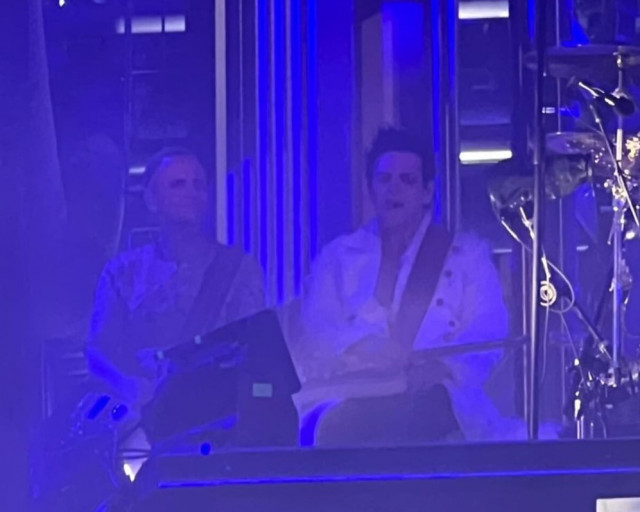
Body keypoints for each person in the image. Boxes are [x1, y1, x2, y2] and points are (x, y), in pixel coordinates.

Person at [295, 127, 510, 446]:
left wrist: (442, 368)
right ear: (371, 189)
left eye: (407, 180)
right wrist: (362, 348)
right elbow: (317, 330)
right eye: (384, 179)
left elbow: (489, 330)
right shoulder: (337, 257)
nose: (394, 189)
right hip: (347, 397)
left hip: (437, 400)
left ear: (426, 192)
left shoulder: (469, 257)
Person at [86, 147, 265, 416]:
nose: (191, 192)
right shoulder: (122, 272)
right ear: (152, 199)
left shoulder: (239, 269)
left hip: (216, 416)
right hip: (140, 418)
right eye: (178, 184)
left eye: (198, 184)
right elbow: (97, 351)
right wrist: (129, 387)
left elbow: (254, 350)